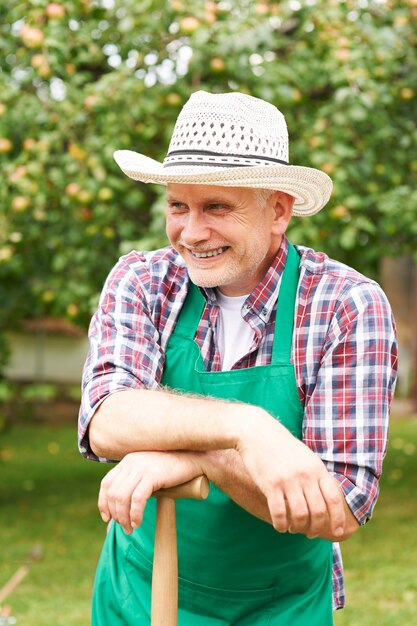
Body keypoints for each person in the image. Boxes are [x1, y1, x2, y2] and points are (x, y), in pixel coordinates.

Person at [78, 91, 397, 626]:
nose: (191, 232)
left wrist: (198, 459)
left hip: (279, 607)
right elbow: (107, 417)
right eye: (179, 206)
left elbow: (340, 506)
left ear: (277, 210)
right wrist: (249, 429)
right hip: (137, 592)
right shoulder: (142, 280)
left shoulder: (346, 305)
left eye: (217, 207)